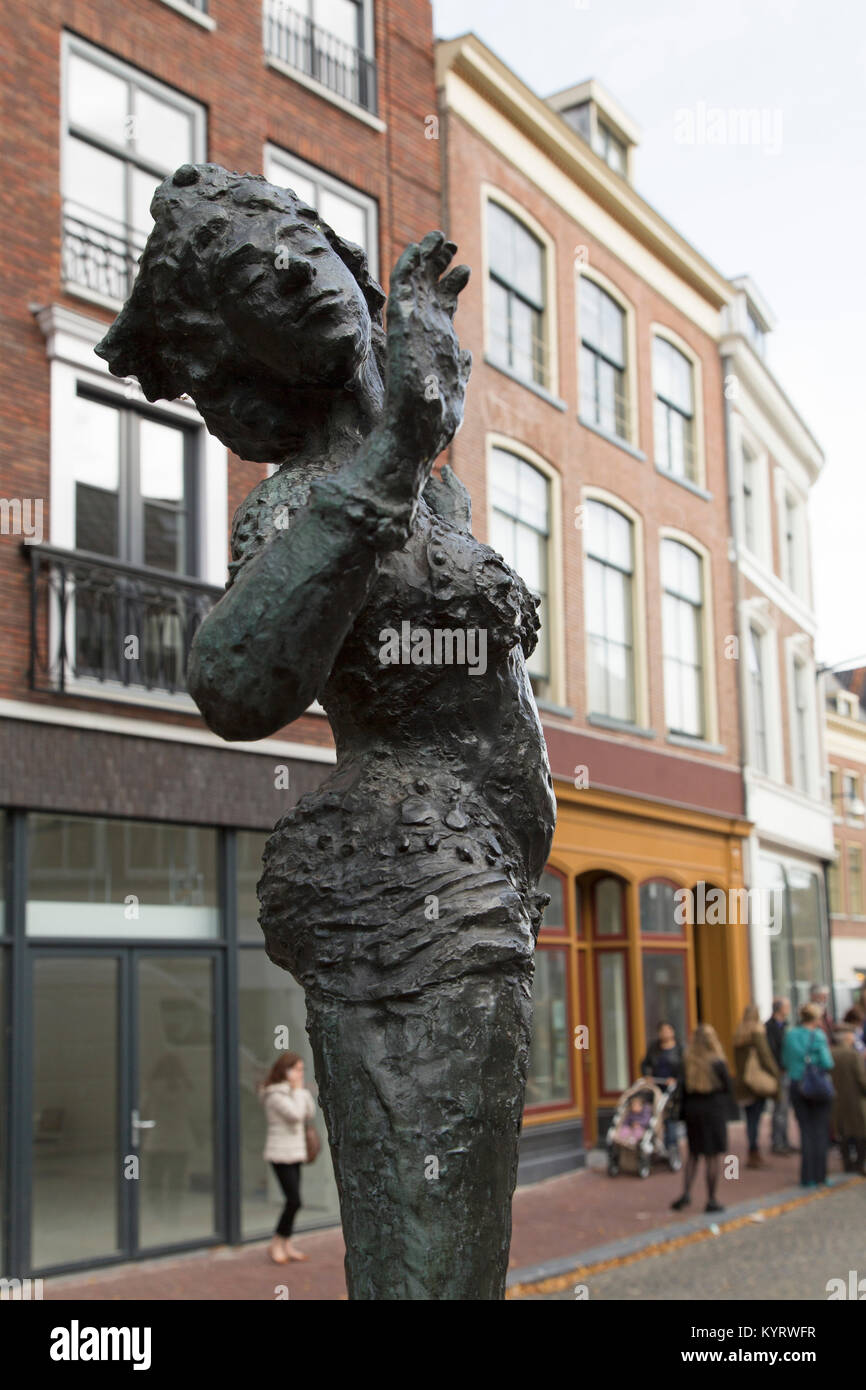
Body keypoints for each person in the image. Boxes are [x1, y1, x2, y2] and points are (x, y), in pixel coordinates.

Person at [671, 1024, 737, 1215]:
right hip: (712, 1110)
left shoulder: (687, 1062)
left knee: (693, 1154)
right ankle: (711, 1199)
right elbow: (728, 1089)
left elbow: (681, 1090)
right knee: (712, 1156)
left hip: (693, 1110)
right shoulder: (717, 1062)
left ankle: (686, 1193)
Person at [260, 1052, 316, 1264]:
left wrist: (300, 1092)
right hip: (280, 1153)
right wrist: (300, 1091)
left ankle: (287, 1244)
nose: (301, 1073)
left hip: (295, 1153)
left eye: (302, 1069)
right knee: (294, 1201)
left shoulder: (294, 1092)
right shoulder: (274, 1094)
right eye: (298, 1069)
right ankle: (276, 1243)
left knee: (294, 1201)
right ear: (285, 1070)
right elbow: (295, 1115)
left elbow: (309, 1113)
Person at [783, 1002, 835, 1188]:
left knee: (805, 1131)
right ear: (816, 1019)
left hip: (797, 1085)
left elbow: (785, 1060)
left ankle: (807, 1177)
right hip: (817, 1087)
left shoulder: (790, 1035)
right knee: (820, 1130)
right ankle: (820, 1175)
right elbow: (828, 1063)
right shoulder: (818, 1036)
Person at [733, 1004, 780, 1168]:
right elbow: (766, 1056)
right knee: (755, 1118)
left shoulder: (739, 1033)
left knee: (749, 1119)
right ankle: (754, 1152)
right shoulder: (757, 1032)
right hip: (756, 1082)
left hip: (743, 1083)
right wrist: (776, 1075)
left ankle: (752, 1150)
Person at [641, 1021, 682, 1155]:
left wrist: (675, 1079)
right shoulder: (654, 1048)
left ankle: (671, 1146)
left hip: (672, 1090)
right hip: (656, 1087)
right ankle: (653, 1145)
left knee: (670, 1117)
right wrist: (647, 1076)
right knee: (654, 1115)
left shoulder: (680, 1049)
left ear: (672, 1032)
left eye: (667, 1030)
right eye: (662, 1031)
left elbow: (685, 1069)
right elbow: (644, 1064)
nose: (664, 1033)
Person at [830, 1025, 866, 1173]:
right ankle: (859, 1164)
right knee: (861, 1133)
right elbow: (861, 1078)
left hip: (837, 1099)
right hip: (855, 1099)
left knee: (843, 1133)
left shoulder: (831, 1053)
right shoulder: (853, 1055)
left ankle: (847, 1164)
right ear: (847, 1037)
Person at [765, 997, 794, 1155]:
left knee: (784, 1108)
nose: (788, 1009)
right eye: (786, 1006)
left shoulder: (785, 1026)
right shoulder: (770, 1027)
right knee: (780, 1108)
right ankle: (778, 1142)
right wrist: (779, 1067)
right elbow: (772, 1050)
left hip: (785, 1071)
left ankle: (784, 1140)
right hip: (778, 1072)